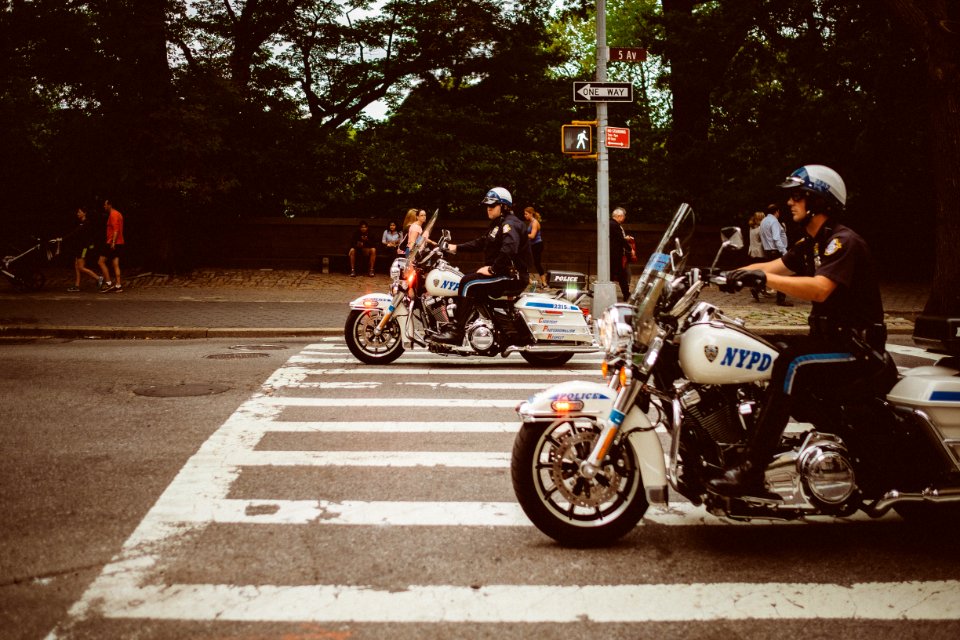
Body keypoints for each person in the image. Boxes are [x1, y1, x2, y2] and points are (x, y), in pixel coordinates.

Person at [708, 164, 890, 498]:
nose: (790, 203)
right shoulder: (812, 243)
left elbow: (820, 289)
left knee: (791, 363)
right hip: (831, 340)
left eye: (797, 196)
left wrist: (762, 279)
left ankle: (752, 469)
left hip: (858, 349)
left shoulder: (841, 242)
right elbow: (771, 266)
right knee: (763, 350)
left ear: (819, 200)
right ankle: (752, 441)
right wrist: (719, 274)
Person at [433, 187, 533, 345]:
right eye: (487, 205)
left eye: (492, 205)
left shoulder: (510, 224)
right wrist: (456, 247)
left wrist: (493, 269)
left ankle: (457, 332)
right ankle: (471, 322)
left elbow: (510, 249)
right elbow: (481, 242)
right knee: (464, 277)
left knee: (467, 283)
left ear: (504, 206)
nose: (488, 208)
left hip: (512, 275)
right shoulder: (498, 224)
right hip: (504, 273)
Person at [759, 202, 793, 306]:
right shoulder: (774, 221)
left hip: (768, 250)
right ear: (777, 211)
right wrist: (784, 252)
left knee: (769, 272)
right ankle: (781, 299)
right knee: (783, 274)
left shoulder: (763, 221)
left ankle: (756, 287)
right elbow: (776, 238)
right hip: (776, 251)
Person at [65, 206, 103, 292]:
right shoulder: (81, 223)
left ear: (84, 213)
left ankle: (98, 278)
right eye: (77, 212)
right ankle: (77, 286)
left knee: (81, 267)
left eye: (79, 212)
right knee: (76, 266)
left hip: (83, 248)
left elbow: (75, 233)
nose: (77, 214)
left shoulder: (86, 223)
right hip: (79, 247)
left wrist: (62, 239)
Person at [97, 199, 124, 293]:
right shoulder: (119, 214)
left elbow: (116, 229)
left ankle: (108, 283)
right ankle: (118, 285)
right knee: (115, 264)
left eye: (105, 205)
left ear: (109, 205)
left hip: (112, 242)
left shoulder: (113, 214)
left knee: (100, 262)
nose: (104, 207)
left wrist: (112, 242)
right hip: (120, 242)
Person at [610, 207, 635, 300]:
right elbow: (620, 239)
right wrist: (630, 249)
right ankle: (626, 294)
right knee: (621, 275)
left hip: (613, 254)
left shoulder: (611, 224)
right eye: (623, 216)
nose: (624, 218)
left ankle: (625, 294)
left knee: (615, 275)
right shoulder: (615, 225)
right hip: (615, 254)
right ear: (619, 216)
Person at [746, 210, 769, 301]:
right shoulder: (760, 229)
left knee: (755, 272)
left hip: (752, 251)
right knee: (763, 272)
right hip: (760, 252)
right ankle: (758, 289)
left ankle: (759, 289)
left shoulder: (751, 227)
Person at [524, 206, 547, 289]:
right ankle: (530, 280)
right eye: (525, 214)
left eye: (526, 214)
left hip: (537, 245)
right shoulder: (531, 222)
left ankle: (544, 282)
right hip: (533, 245)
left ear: (531, 214)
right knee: (526, 261)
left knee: (536, 263)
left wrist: (522, 235)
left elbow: (532, 236)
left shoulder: (534, 223)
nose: (525, 215)